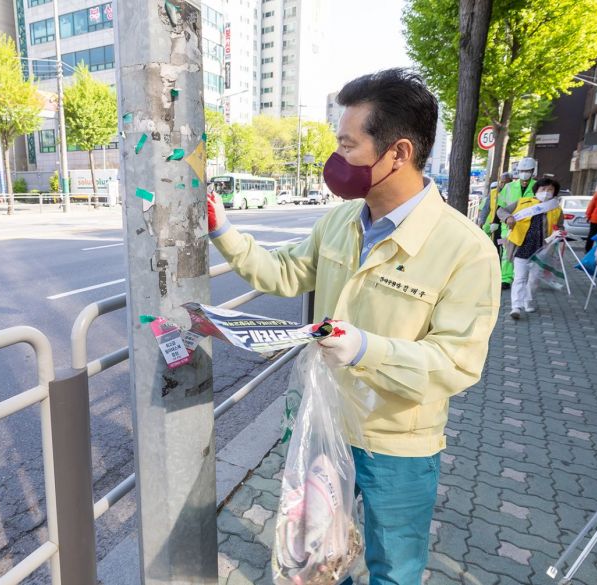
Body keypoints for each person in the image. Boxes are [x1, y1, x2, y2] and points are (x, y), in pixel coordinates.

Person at [207, 69, 500, 585]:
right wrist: (223, 229)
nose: (336, 161)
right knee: (319, 558)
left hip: (398, 443)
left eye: (348, 145)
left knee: (394, 570)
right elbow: (284, 272)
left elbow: (456, 364)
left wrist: (366, 349)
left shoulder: (467, 251)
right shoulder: (340, 222)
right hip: (328, 424)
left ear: (398, 153)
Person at [497, 177, 564, 319]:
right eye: (543, 189)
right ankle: (516, 307)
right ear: (537, 190)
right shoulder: (523, 202)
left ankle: (529, 301)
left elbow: (560, 226)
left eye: (550, 190)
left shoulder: (556, 209)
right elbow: (501, 211)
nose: (546, 192)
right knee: (520, 278)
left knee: (534, 280)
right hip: (522, 246)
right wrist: (508, 218)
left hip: (542, 250)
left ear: (555, 192)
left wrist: (560, 233)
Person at [496, 158, 537, 289]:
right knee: (507, 253)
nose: (524, 174)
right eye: (522, 171)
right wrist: (505, 218)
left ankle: (522, 278)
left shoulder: (538, 187)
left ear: (532, 171)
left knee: (526, 253)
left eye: (527, 171)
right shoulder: (508, 187)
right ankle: (506, 278)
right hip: (509, 226)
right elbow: (500, 208)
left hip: (529, 227)